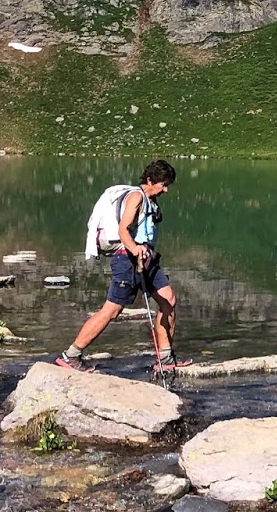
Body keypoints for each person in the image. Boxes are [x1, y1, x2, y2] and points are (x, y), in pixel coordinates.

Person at [59, 159, 187, 371]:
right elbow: (123, 229)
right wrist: (135, 249)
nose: (166, 190)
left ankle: (165, 359)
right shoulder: (136, 196)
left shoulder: (151, 200)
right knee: (112, 310)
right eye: (163, 184)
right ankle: (71, 355)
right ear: (149, 180)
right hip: (127, 259)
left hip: (147, 259)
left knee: (168, 300)